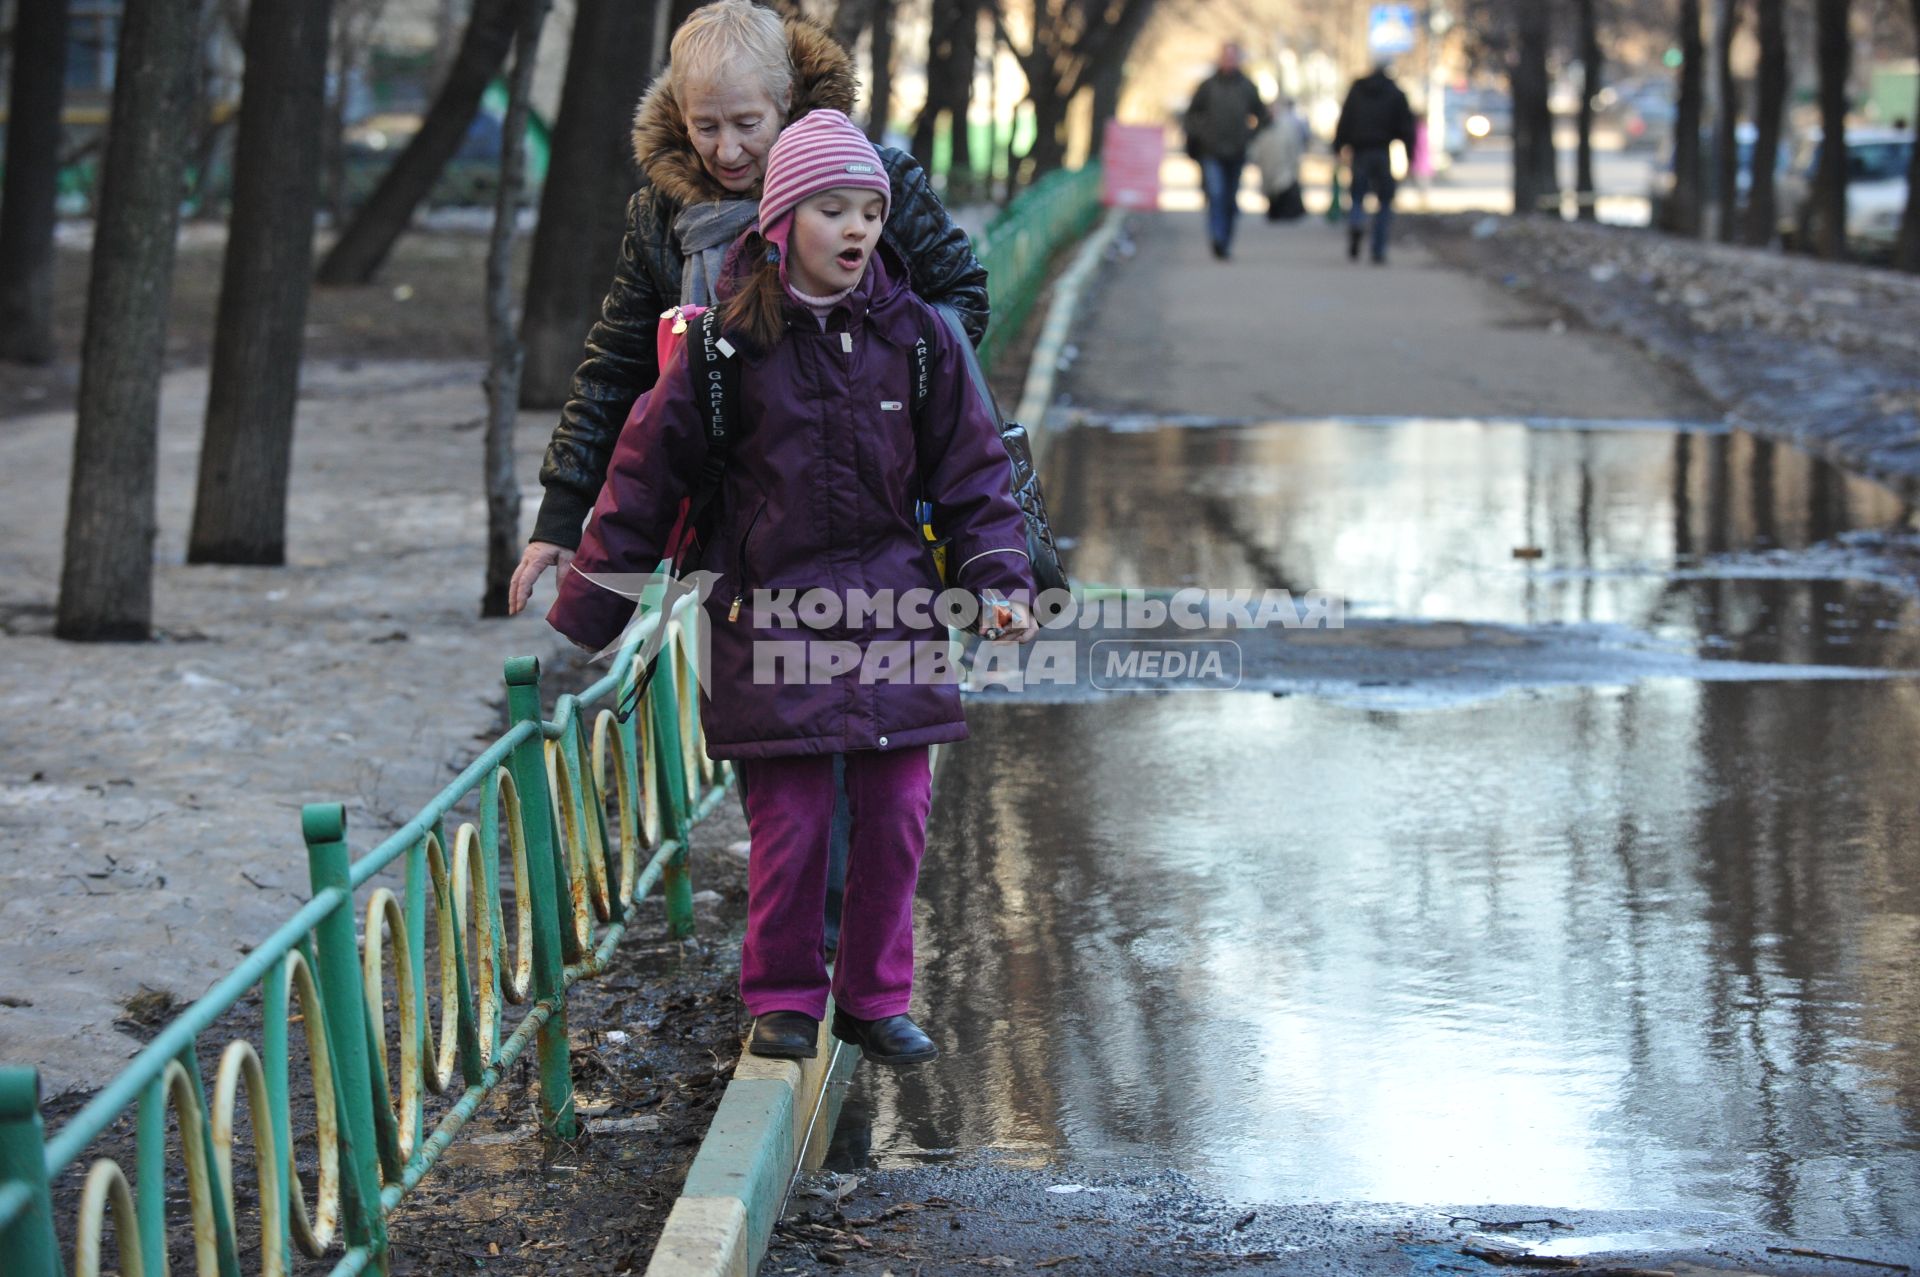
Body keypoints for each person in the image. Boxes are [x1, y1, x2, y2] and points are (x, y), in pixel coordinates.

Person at [545, 111, 1038, 1066]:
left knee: (897, 815)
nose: (855, 230)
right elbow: (645, 473)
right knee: (795, 823)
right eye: (831, 210)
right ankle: (781, 996)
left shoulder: (922, 342)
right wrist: (590, 606)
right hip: (768, 620)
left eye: (868, 212)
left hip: (896, 615)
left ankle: (873, 996)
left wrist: (997, 580)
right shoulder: (725, 351)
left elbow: (975, 476)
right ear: (780, 227)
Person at [506, 0, 990, 959]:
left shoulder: (869, 176)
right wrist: (563, 516)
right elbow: (617, 373)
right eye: (706, 127)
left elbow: (961, 295)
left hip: (878, 502)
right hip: (746, 525)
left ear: (787, 99)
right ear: (678, 117)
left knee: (880, 740)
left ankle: (848, 962)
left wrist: (886, 387)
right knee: (787, 743)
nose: (728, 149)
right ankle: (793, 973)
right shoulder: (667, 217)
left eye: (747, 125)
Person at [1183, 42, 1271, 259]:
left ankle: (1226, 239)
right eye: (1226, 57)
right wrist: (1201, 134)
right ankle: (1217, 238)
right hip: (1211, 151)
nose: (1229, 61)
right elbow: (1191, 115)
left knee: (1230, 199)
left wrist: (1248, 136)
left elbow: (1262, 116)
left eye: (1233, 57)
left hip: (1236, 152)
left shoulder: (1247, 87)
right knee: (1216, 194)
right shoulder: (1208, 86)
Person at [1333, 61, 1417, 264]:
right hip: (1382, 151)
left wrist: (1338, 146)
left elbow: (1345, 119)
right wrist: (1409, 156)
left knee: (1357, 196)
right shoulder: (1394, 92)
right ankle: (1378, 249)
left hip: (1360, 151)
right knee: (1385, 200)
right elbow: (1406, 127)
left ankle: (1356, 223)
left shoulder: (1357, 90)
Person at [1250, 96, 1307, 221]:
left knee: (1283, 187)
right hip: (1270, 166)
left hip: (1283, 166)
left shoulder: (1286, 126)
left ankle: (1282, 211)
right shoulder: (1264, 128)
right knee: (1274, 190)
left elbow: (1293, 147)